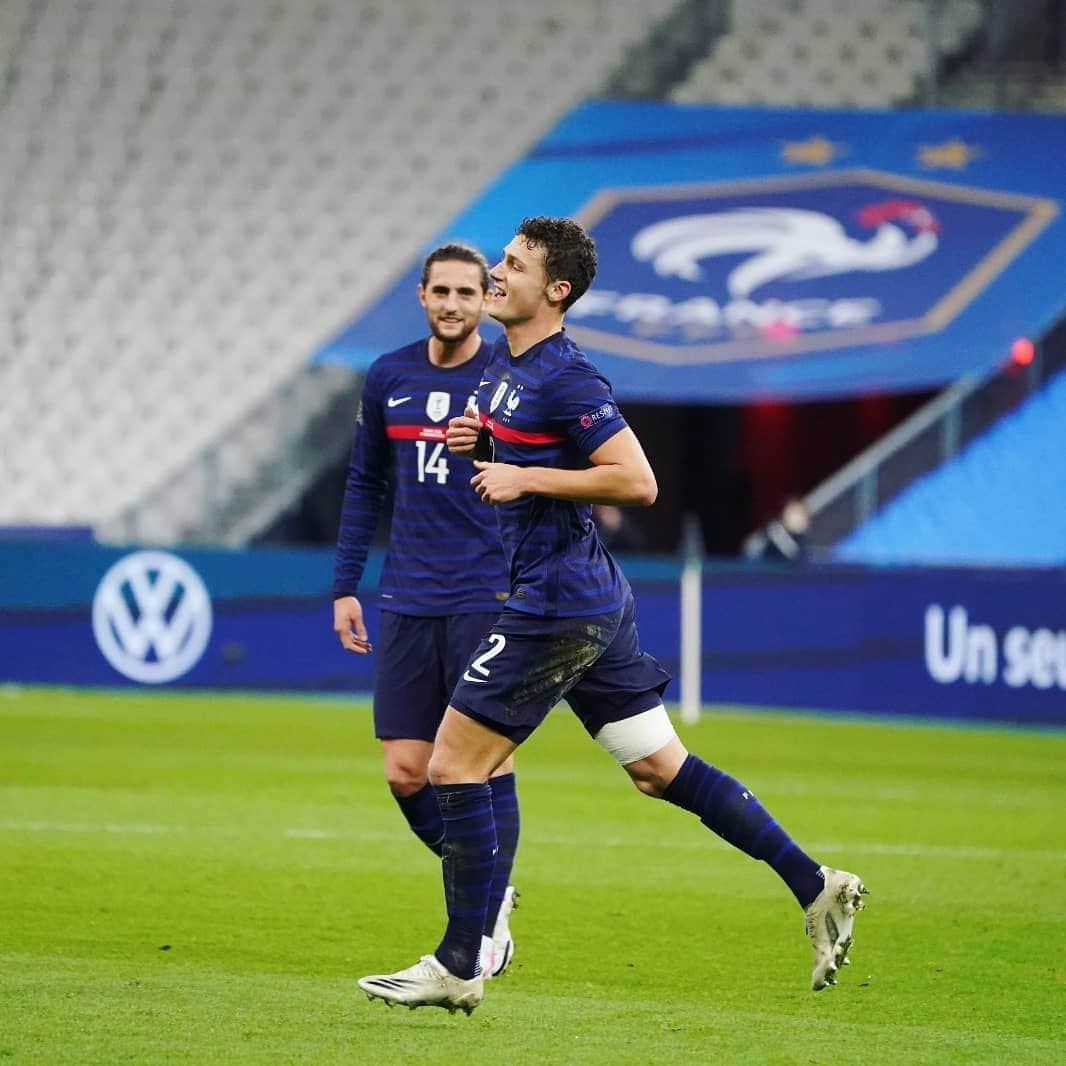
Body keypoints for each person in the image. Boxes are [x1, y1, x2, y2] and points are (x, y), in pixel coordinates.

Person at [357, 218, 867, 1015]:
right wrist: (479, 442)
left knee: (452, 765)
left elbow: (637, 481)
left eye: (513, 266)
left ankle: (462, 961)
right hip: (590, 596)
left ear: (554, 291)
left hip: (554, 604)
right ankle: (816, 884)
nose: (496, 272)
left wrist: (526, 480)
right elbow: (521, 445)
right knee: (657, 769)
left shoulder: (568, 376)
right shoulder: (504, 364)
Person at [332, 242, 520, 979]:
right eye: (440, 291)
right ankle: (490, 889)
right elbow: (363, 485)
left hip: (486, 593)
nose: (452, 303)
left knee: (482, 764)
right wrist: (347, 584)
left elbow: (544, 472)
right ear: (421, 295)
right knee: (406, 771)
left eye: (466, 293)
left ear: (485, 300)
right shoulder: (389, 375)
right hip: (407, 594)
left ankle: (483, 916)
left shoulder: (508, 377)